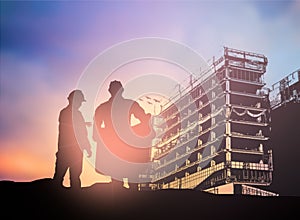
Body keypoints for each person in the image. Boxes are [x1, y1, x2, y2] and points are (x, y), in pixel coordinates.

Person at [93, 80, 155, 190]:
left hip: (118, 145)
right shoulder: (128, 104)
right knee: (126, 174)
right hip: (123, 144)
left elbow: (96, 129)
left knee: (121, 175)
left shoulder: (104, 107)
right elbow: (144, 118)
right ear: (121, 91)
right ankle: (128, 195)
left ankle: (122, 194)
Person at [53, 90, 92, 189]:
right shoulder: (72, 114)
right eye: (79, 101)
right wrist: (87, 147)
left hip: (68, 151)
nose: (80, 104)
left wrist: (83, 124)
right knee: (69, 178)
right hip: (71, 151)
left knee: (66, 178)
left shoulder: (67, 113)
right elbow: (79, 132)